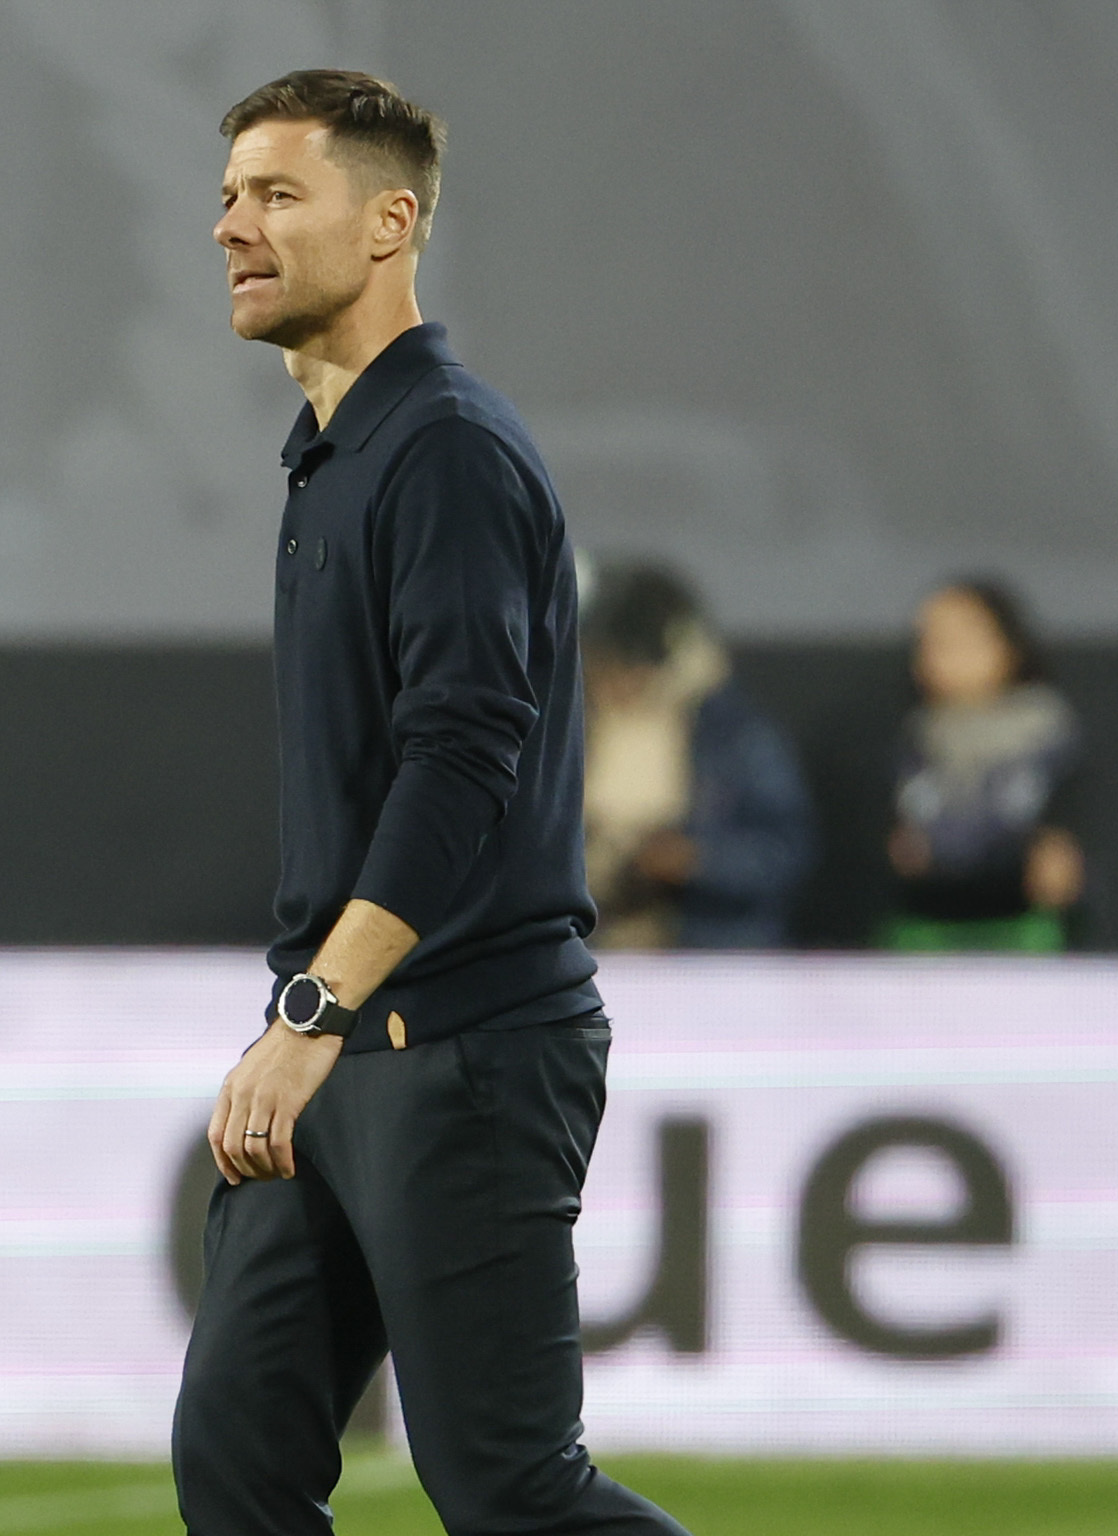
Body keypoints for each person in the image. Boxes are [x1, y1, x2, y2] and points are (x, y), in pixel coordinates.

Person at [175, 70, 685, 1536]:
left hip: (458, 1045)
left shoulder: (445, 449)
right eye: (227, 198)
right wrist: (312, 1026)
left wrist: (313, 1015)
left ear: (392, 222)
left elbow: (465, 756)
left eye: (278, 195)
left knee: (509, 1490)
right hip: (342, 1049)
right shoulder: (337, 452)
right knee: (238, 1465)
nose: (232, 228)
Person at [581, 561, 814, 948]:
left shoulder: (733, 736)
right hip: (589, 946)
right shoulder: (571, 722)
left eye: (627, 667)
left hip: (704, 950)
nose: (617, 684)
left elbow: (786, 850)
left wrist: (694, 860)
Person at [884, 579, 1084, 951]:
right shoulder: (915, 742)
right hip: (928, 930)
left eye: (960, 639)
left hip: (1023, 929)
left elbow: (1050, 843)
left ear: (1008, 645)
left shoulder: (1049, 736)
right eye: (929, 642)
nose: (939, 655)